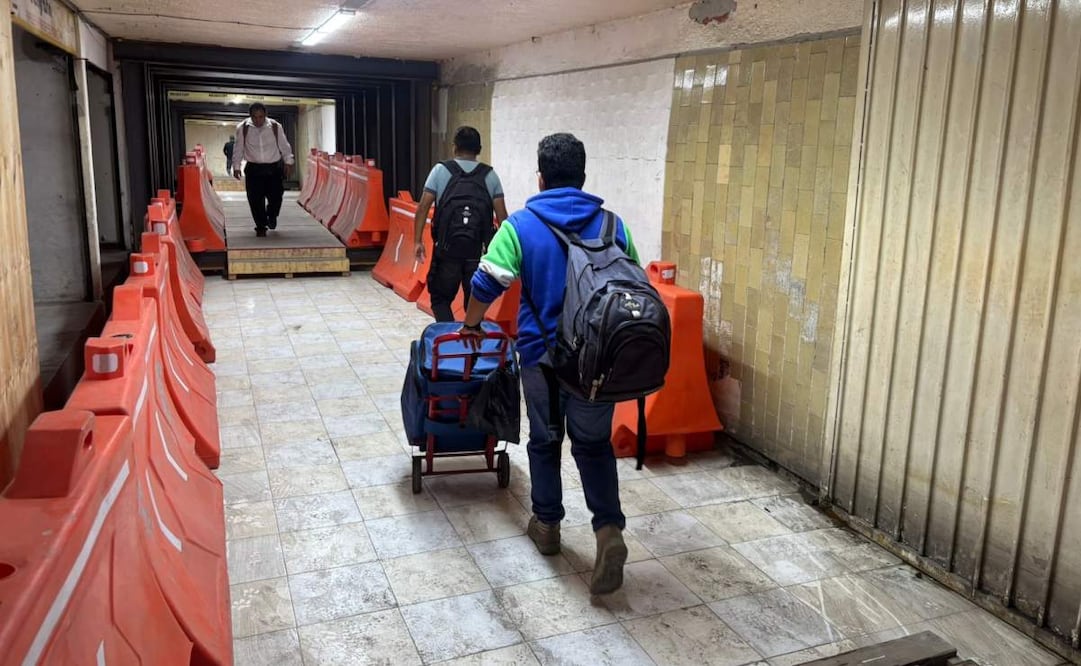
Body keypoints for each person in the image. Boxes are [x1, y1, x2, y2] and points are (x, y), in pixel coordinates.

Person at [458, 133, 639, 595]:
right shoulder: (613, 225)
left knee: (545, 440)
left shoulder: (522, 225)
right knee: (593, 446)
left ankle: (548, 526)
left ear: (540, 177)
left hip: (542, 357)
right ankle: (608, 531)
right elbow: (632, 281)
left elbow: (486, 282)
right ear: (583, 177)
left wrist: (472, 324)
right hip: (599, 360)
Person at [413, 126, 508, 322]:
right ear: (479, 149)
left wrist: (417, 241)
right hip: (478, 254)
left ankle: (448, 340)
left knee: (440, 299)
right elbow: (503, 218)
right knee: (474, 303)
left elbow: (423, 207)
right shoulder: (490, 176)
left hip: (447, 252)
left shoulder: (440, 171)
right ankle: (471, 344)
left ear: (455, 147)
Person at [231, 103, 295, 237]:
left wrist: (288, 162)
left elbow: (284, 145)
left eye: (260, 117)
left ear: (265, 114)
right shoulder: (243, 128)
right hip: (254, 169)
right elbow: (238, 148)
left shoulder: (275, 127)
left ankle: (272, 215)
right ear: (250, 116)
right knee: (255, 200)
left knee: (276, 196)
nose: (258, 120)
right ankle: (260, 225)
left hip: (273, 169)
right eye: (254, 117)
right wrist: (236, 167)